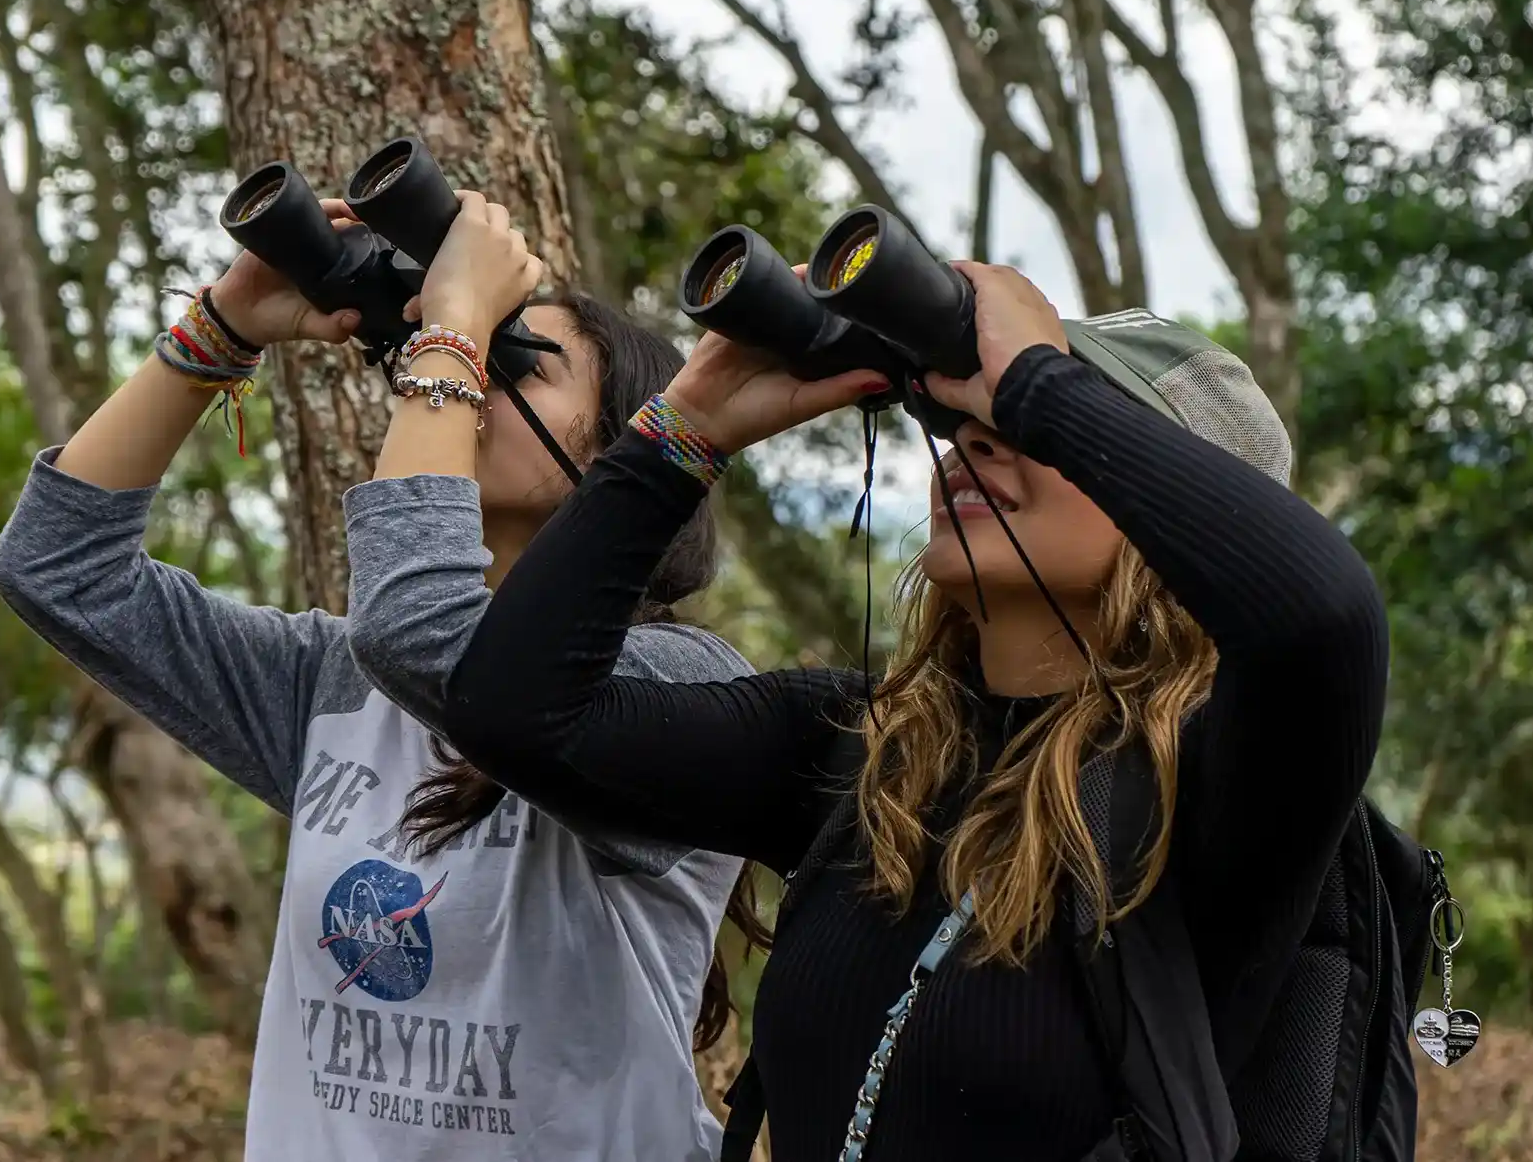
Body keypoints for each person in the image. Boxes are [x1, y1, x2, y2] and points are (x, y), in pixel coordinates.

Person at [436, 263, 1390, 1160]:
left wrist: (1035, 385)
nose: (975, 437)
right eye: (962, 424)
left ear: (1169, 501)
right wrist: (687, 427)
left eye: (1030, 429)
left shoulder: (1219, 787)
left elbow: (1323, 614)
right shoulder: (860, 751)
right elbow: (511, 711)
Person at [0, 190, 758, 1162]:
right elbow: (57, 568)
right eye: (476, 346)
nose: (471, 371)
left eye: (517, 357)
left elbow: (425, 636)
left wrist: (452, 333)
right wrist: (224, 324)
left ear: (620, 457)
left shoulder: (681, 683)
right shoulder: (335, 687)